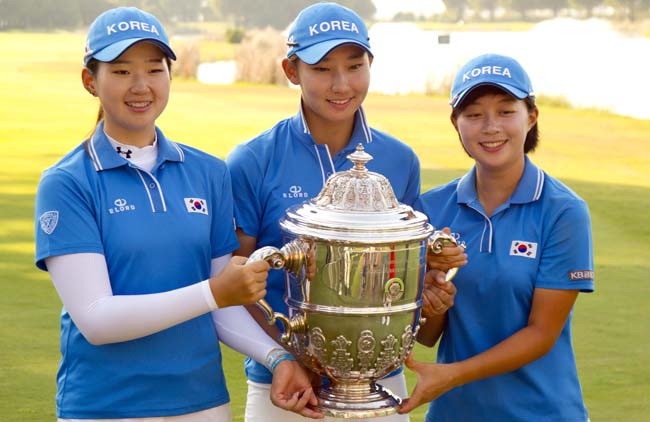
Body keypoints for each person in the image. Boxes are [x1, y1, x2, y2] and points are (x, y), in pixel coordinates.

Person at [34, 7, 320, 421]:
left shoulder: (207, 172)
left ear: (170, 75)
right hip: (104, 406)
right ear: (89, 82)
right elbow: (97, 319)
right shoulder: (67, 182)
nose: (140, 86)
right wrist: (212, 292)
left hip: (202, 403)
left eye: (154, 69)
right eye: (120, 71)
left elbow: (226, 303)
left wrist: (277, 358)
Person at [226, 3, 465, 421]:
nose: (341, 84)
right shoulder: (253, 159)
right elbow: (236, 275)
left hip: (380, 381)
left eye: (355, 66)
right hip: (283, 387)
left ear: (371, 65)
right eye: (322, 69)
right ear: (291, 70)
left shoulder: (399, 159)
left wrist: (430, 279)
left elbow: (402, 271)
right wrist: (283, 358)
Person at [399, 53, 595, 421]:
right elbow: (427, 335)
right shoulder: (431, 209)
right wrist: (432, 304)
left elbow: (541, 333)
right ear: (455, 123)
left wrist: (452, 375)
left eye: (506, 111)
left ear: (531, 116)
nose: (491, 127)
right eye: (473, 114)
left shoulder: (563, 212)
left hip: (543, 413)